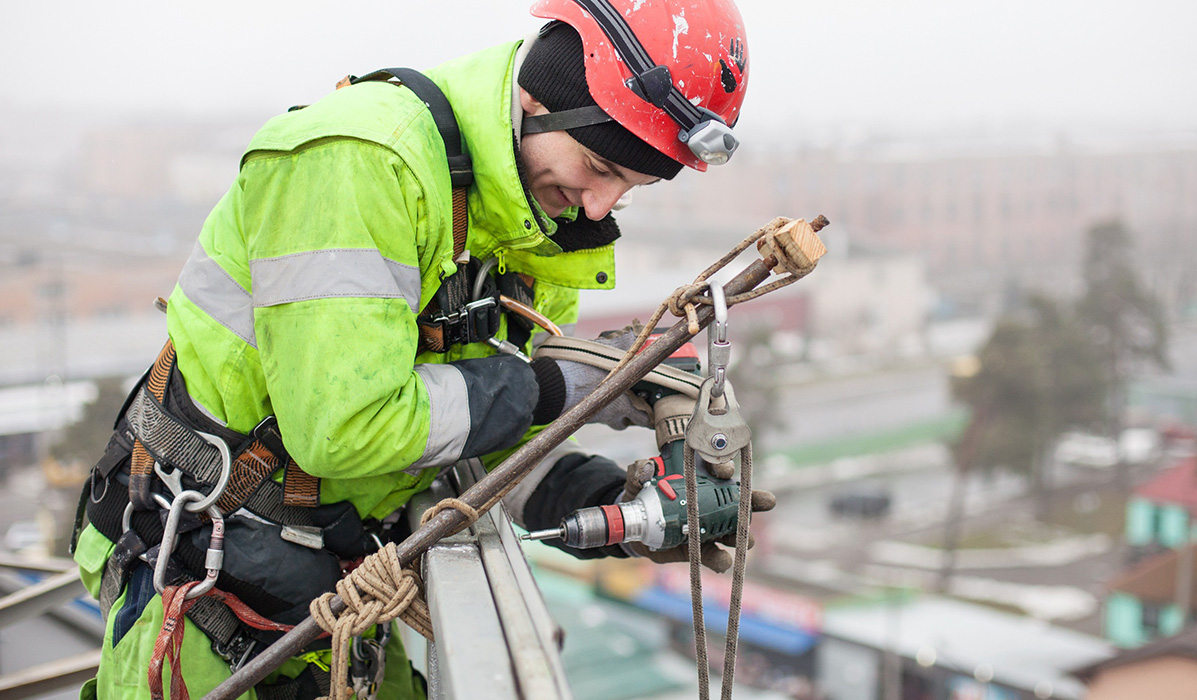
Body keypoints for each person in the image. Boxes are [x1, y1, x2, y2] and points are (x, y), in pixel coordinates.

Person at [71, 0, 755, 697]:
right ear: (539, 95)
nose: (599, 206)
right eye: (597, 164)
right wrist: (554, 389)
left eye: (629, 188)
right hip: (205, 579)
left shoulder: (535, 228)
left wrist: (618, 508)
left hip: (335, 584)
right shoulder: (359, 163)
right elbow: (345, 428)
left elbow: (476, 446)